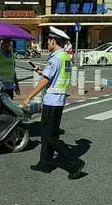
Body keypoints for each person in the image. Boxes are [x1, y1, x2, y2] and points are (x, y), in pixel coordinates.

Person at [22, 27, 85, 180]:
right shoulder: (64, 57)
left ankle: (74, 162)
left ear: (53, 41)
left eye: (48, 40)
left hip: (51, 101)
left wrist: (29, 96)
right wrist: (40, 70)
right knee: (47, 135)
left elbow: (46, 80)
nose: (47, 43)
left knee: (50, 137)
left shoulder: (55, 58)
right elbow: (55, 76)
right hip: (59, 101)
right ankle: (44, 164)